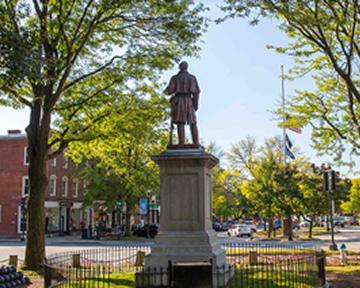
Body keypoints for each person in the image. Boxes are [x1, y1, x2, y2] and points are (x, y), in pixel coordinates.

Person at [164, 61, 200, 146]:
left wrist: (168, 92)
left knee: (182, 122)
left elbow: (168, 91)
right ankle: (195, 142)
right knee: (192, 122)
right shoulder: (191, 78)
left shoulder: (175, 78)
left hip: (179, 101)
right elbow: (196, 92)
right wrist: (195, 104)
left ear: (179, 67)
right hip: (188, 101)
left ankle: (182, 143)